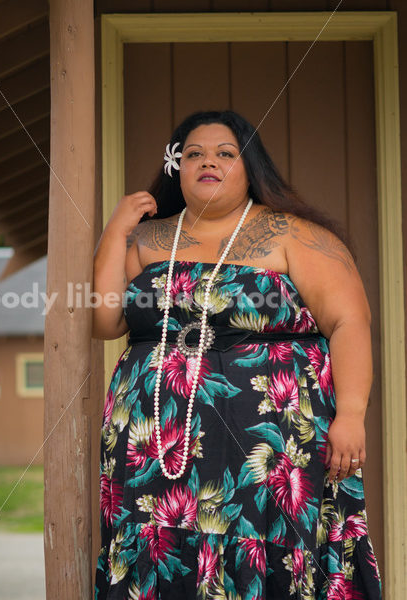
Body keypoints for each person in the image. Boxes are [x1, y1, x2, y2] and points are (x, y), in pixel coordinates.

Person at [91, 110, 383, 599]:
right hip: (155, 449)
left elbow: (349, 322)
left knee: (264, 546)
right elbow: (104, 322)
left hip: (266, 451)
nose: (210, 162)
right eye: (194, 154)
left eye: (226, 154)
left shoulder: (295, 235)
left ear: (252, 169)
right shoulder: (146, 240)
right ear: (175, 167)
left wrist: (351, 413)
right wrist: (114, 234)